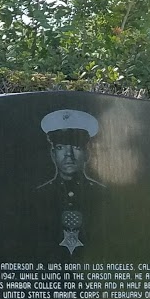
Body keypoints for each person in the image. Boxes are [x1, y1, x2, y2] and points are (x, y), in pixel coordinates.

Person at [35, 108, 105, 255]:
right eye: (60, 147)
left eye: (76, 147)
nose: (69, 155)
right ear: (53, 154)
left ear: (86, 154)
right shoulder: (38, 196)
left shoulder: (103, 195)